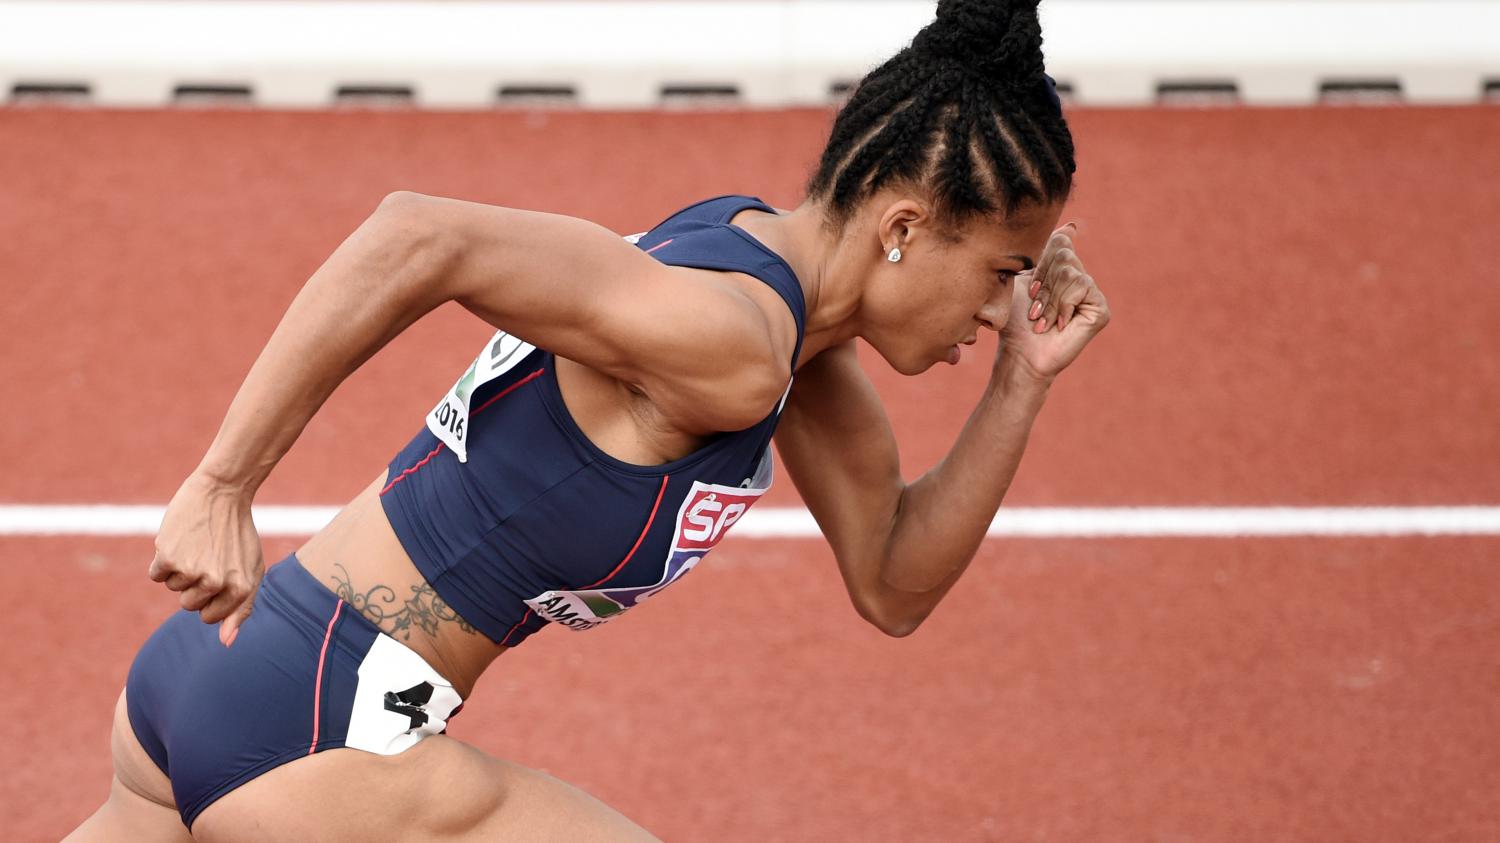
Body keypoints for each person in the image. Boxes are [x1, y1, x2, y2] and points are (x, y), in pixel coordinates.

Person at [66, 0, 1109, 839]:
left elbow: (892, 581)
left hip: (214, 679)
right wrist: (220, 483)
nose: (997, 309)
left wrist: (1022, 378)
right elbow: (419, 235)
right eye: (1000, 273)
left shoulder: (785, 330)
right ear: (905, 226)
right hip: (317, 732)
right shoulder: (737, 345)